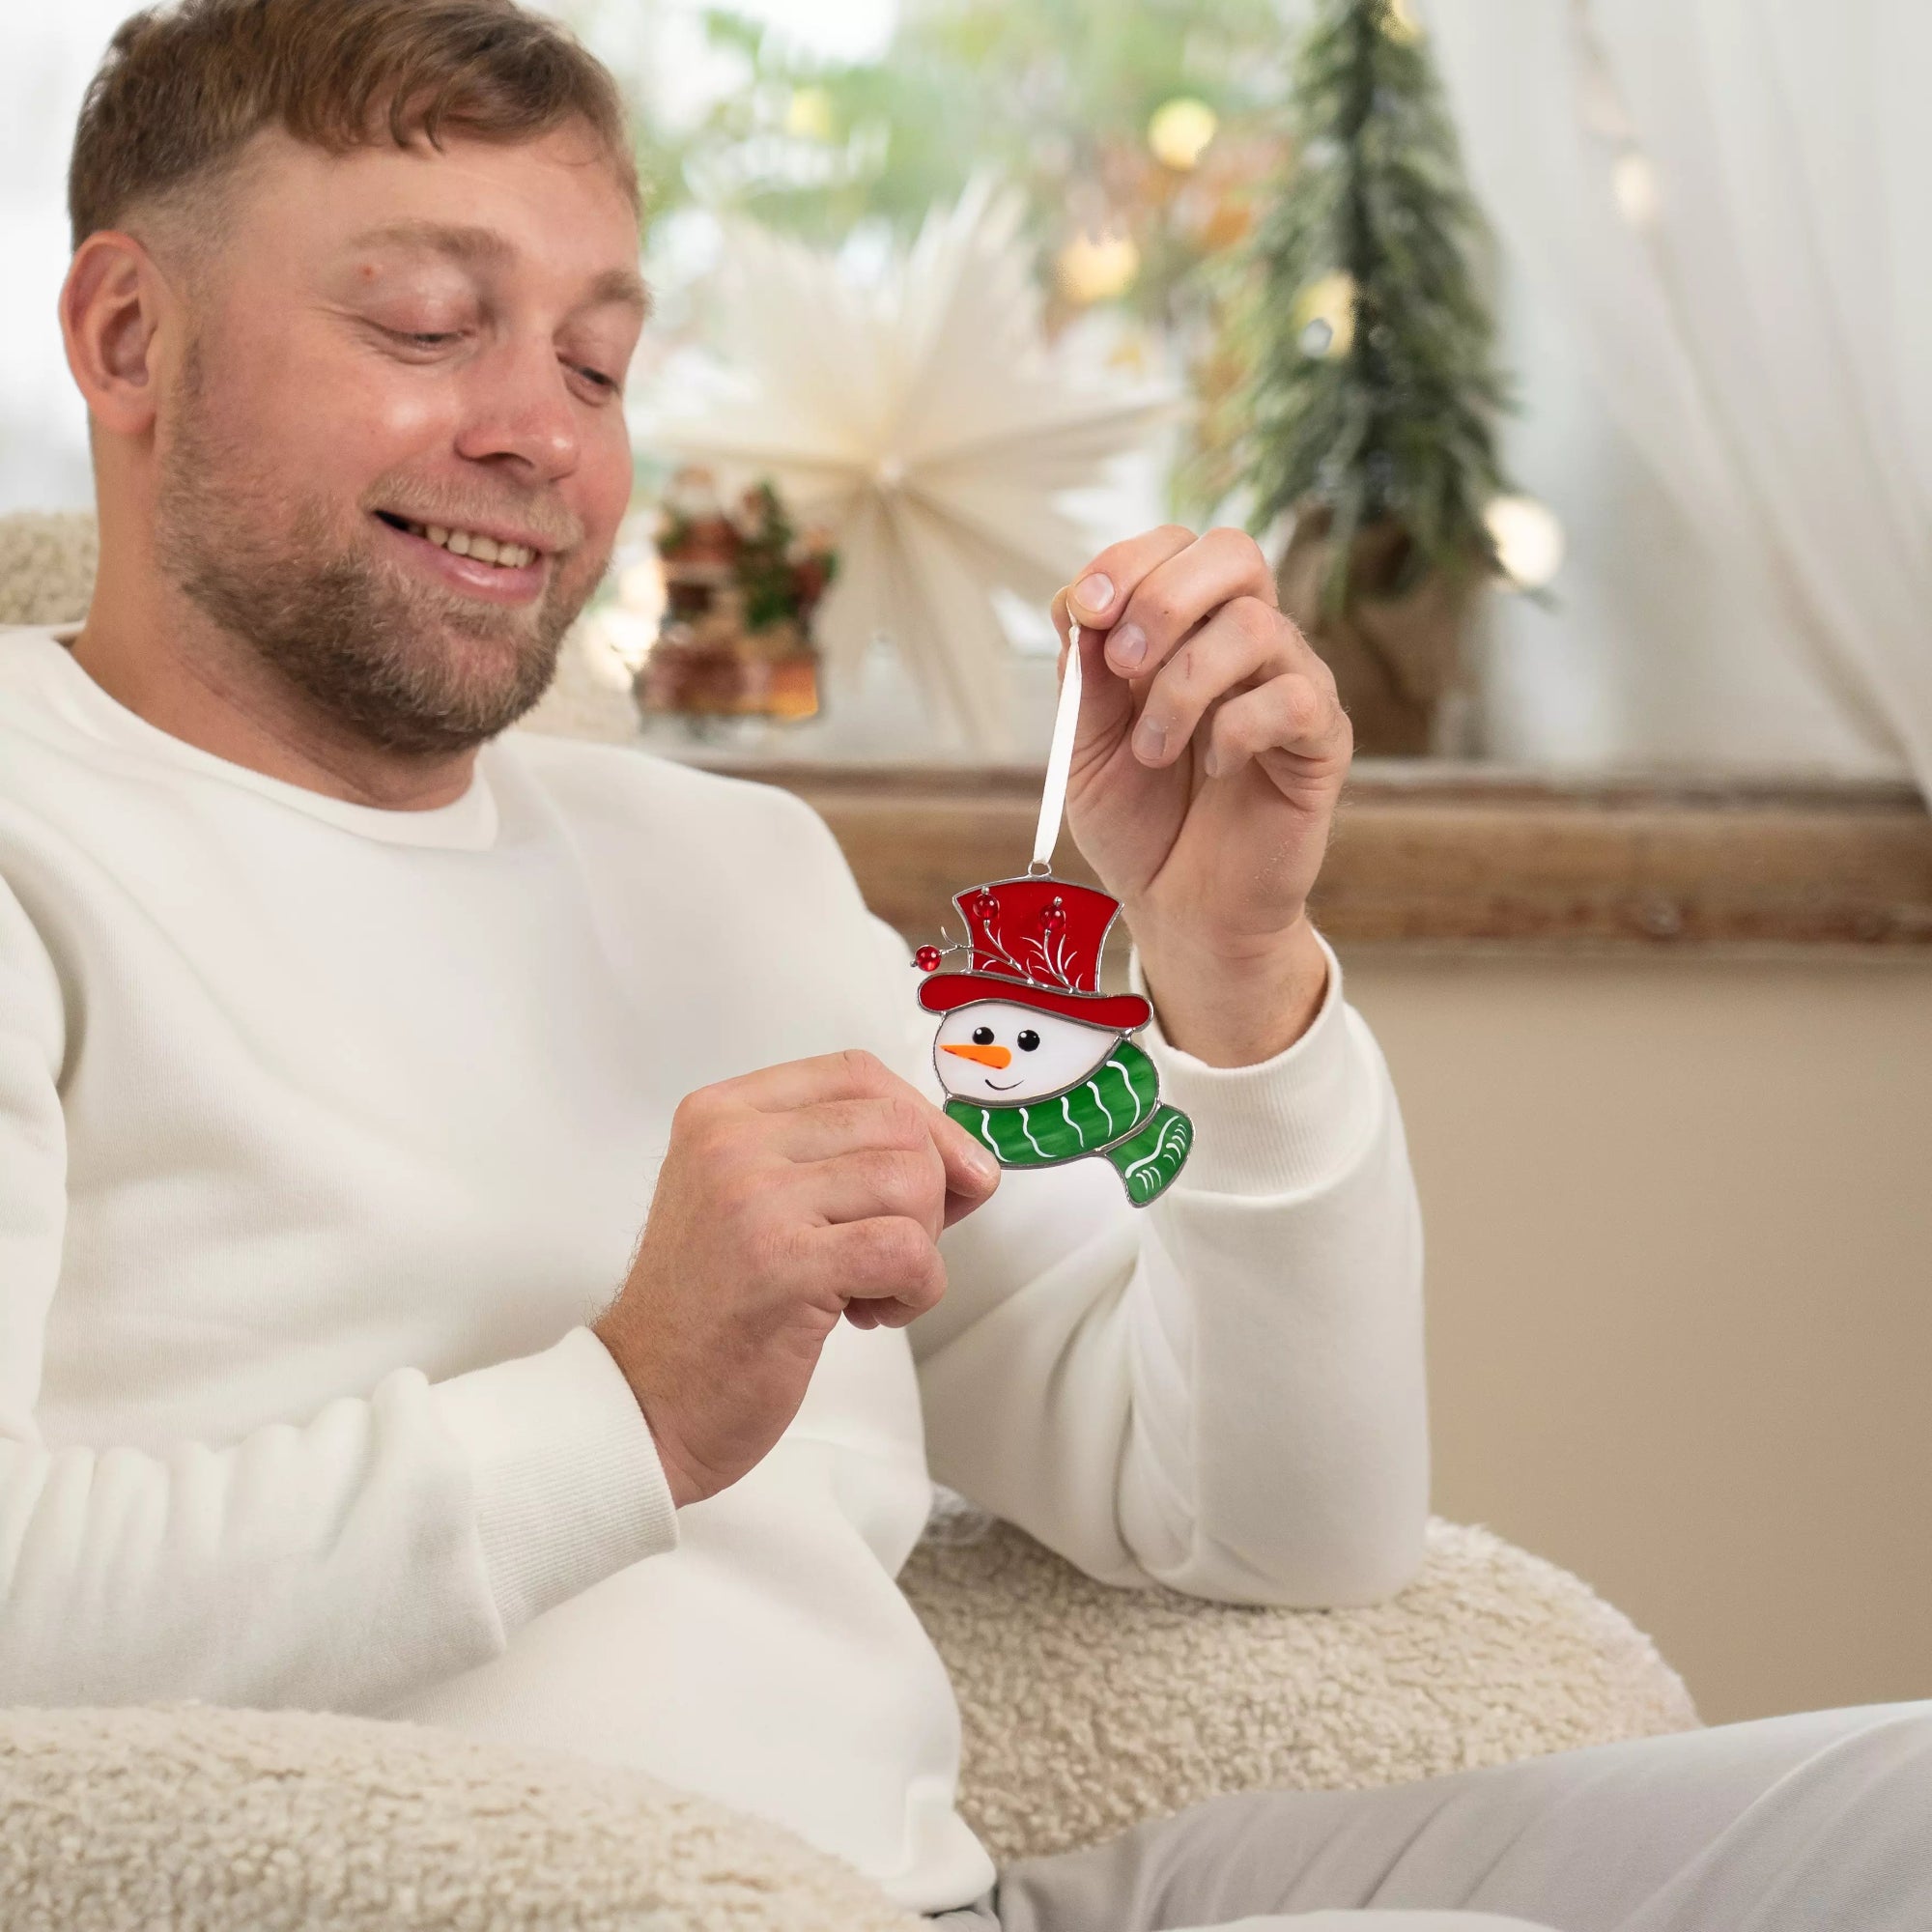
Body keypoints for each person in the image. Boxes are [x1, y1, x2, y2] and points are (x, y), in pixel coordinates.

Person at [0, 4, 1921, 1929]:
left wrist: (1230, 973)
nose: (542, 430)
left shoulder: (726, 866)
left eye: (597, 360)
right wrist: (628, 1408)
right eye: (425, 322)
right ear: (128, 337)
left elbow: (1270, 1520)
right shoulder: (38, 842)